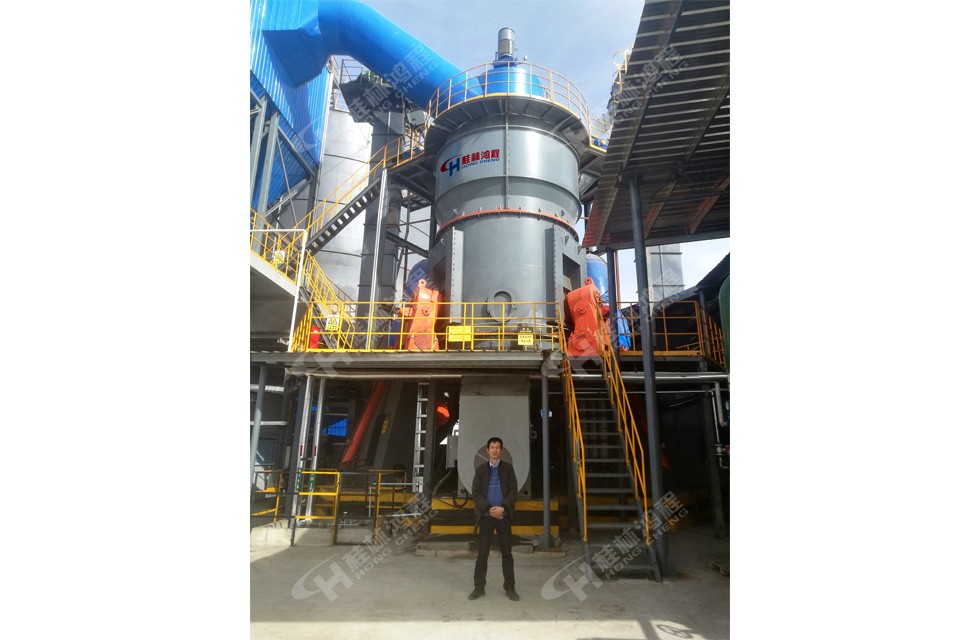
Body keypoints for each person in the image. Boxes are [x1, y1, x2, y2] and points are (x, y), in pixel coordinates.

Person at [469, 436, 520, 601]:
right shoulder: (481, 470)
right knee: (482, 553)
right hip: (486, 516)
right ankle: (479, 588)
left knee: (507, 554)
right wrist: (489, 509)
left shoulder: (508, 469)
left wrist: (503, 507)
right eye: (492, 447)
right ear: (487, 450)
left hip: (503, 516)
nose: (495, 450)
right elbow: (475, 492)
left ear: (501, 451)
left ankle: (510, 588)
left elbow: (513, 490)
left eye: (498, 447)